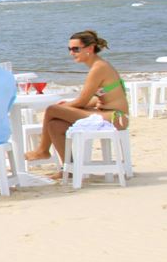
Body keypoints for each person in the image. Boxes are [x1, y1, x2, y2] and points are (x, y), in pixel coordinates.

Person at [23, 30, 130, 165]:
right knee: (55, 125)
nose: (71, 53)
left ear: (90, 48)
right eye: (70, 49)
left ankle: (42, 150)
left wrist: (65, 106)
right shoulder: (99, 66)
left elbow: (82, 101)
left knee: (52, 109)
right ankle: (69, 168)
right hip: (108, 114)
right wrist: (68, 105)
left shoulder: (99, 68)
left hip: (116, 118)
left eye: (75, 49)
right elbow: (98, 98)